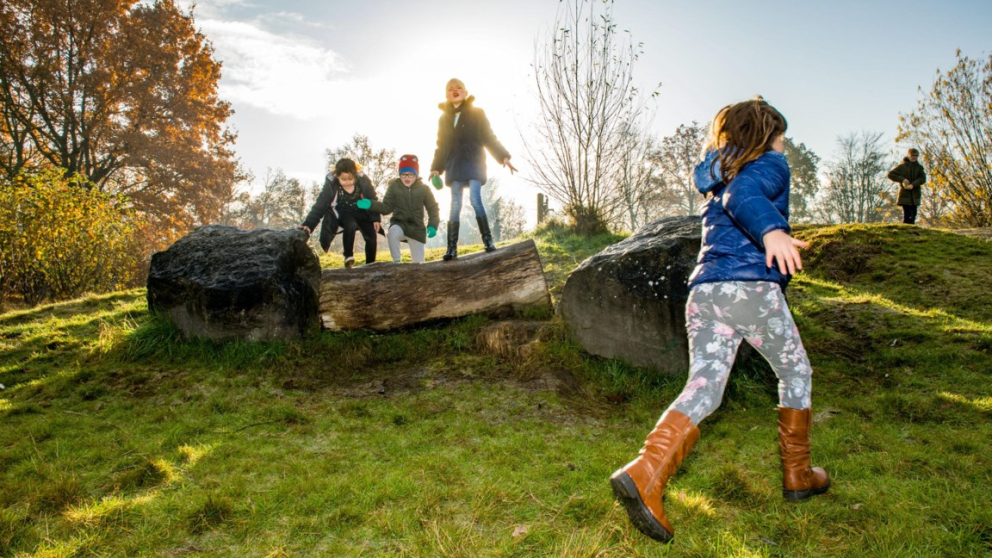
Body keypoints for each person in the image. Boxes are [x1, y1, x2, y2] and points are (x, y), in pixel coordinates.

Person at [610, 97, 830, 544]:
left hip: (705, 292)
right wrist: (772, 230)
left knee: (706, 388)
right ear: (766, 135)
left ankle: (646, 470)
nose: (785, 146)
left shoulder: (720, 173)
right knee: (795, 371)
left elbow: (731, 195)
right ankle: (798, 475)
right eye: (782, 136)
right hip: (749, 289)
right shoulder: (768, 165)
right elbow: (744, 197)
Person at [429, 78, 517, 261]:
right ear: (446, 94)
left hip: (474, 162)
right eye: (451, 89)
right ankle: (451, 248)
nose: (455, 91)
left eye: (458, 88)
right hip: (454, 165)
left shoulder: (477, 113)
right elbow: (441, 145)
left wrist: (504, 156)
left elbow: (488, 137)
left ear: (465, 92)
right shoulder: (443, 119)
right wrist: (436, 168)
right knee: (455, 205)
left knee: (476, 199)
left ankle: (488, 241)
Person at [298, 158, 381, 267]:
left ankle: (371, 264)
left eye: (350, 179)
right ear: (337, 176)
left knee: (371, 235)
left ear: (355, 175)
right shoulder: (331, 185)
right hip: (342, 213)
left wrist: (375, 218)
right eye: (343, 179)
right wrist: (308, 225)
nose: (347, 182)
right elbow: (320, 205)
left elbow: (372, 199)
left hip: (361, 213)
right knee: (350, 223)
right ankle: (348, 256)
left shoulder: (363, 181)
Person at [357, 154, 440, 263]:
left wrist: (433, 225)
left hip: (417, 229)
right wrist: (370, 204)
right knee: (392, 233)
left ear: (416, 175)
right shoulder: (394, 187)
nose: (407, 178)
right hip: (399, 224)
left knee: (419, 264)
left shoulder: (424, 189)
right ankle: (396, 261)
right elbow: (386, 207)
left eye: (410, 175)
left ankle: (418, 268)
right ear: (399, 174)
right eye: (404, 174)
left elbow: (433, 208)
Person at [887, 148, 926, 225]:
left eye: (916, 155)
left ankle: (912, 231)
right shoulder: (902, 167)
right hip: (905, 194)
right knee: (907, 214)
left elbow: (922, 179)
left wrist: (913, 184)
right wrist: (902, 179)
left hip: (915, 194)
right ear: (908, 155)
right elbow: (890, 174)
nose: (914, 157)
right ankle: (906, 229)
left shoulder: (919, 168)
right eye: (912, 155)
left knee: (914, 213)